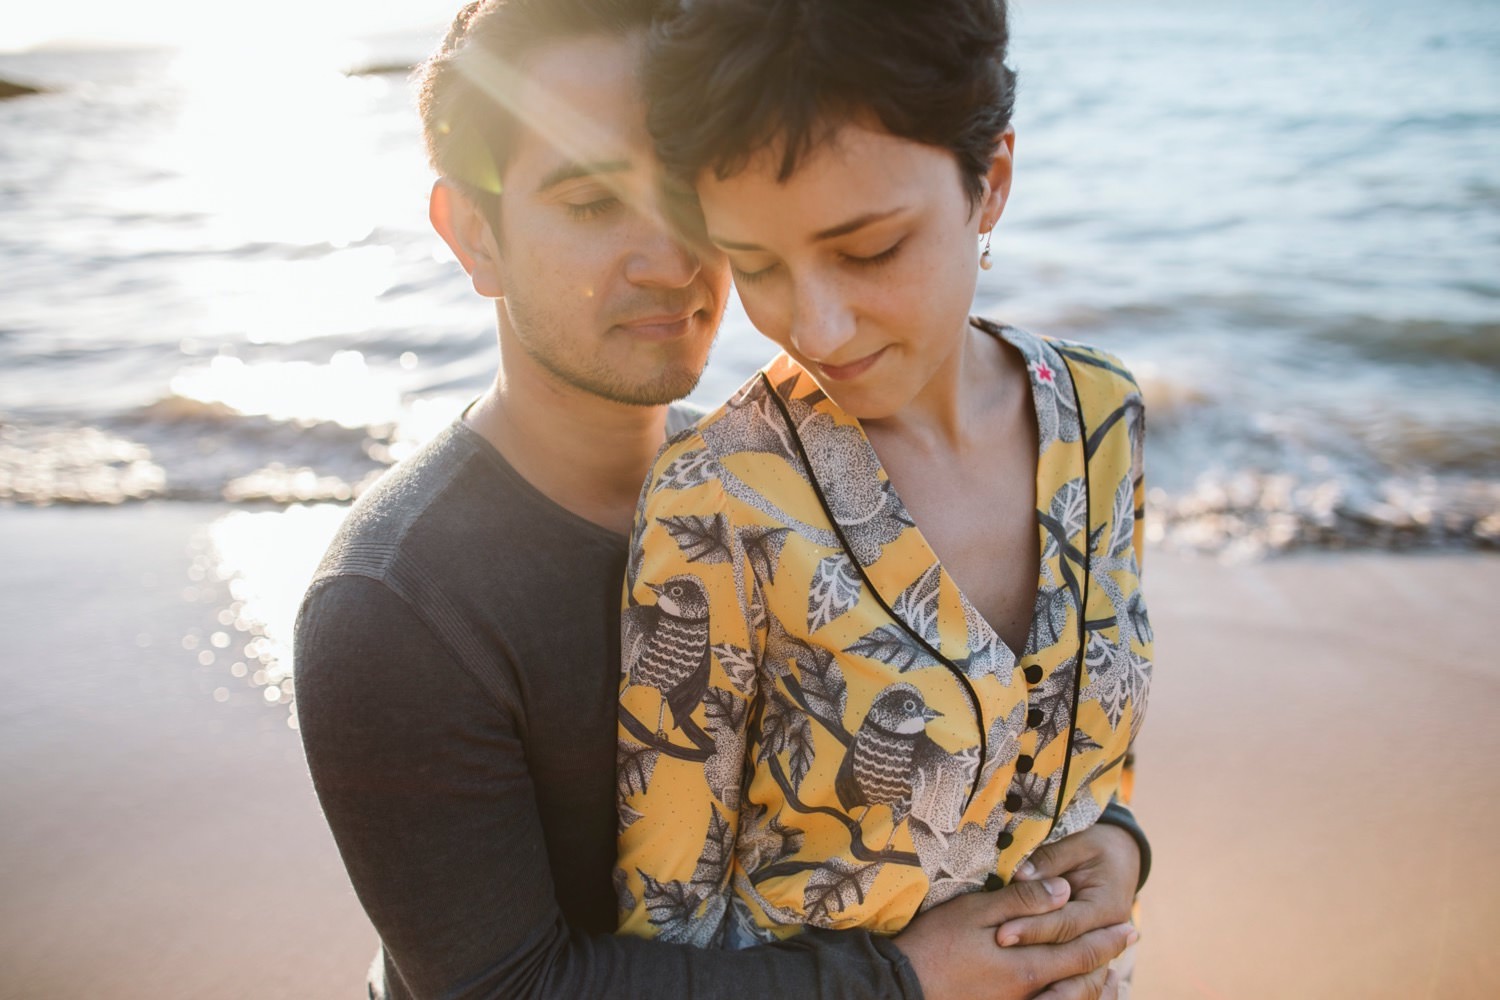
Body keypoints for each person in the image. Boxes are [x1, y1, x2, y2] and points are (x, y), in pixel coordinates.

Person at [295, 0, 1146, 997]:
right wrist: (901, 982)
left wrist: (1117, 842)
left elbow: (1013, 739)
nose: (669, 262)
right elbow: (503, 987)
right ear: (472, 233)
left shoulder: (810, 476)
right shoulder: (394, 608)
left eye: (690, 200)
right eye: (590, 202)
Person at [616, 0, 1151, 990]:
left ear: (989, 184)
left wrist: (1122, 848)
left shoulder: (1101, 414)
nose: (812, 324)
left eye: (867, 250)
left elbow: (1084, 754)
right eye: (759, 264)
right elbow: (663, 944)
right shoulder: (717, 503)